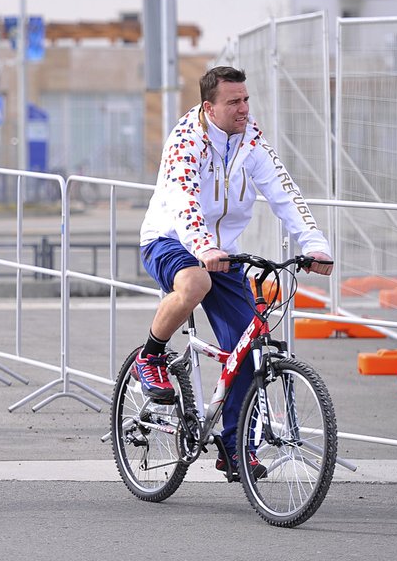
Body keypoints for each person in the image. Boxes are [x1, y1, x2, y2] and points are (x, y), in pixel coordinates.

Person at [136, 65, 333, 479]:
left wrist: (313, 244)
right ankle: (150, 355)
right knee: (195, 280)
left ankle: (235, 447)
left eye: (246, 99)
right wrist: (203, 246)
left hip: (221, 253)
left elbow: (284, 193)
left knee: (250, 343)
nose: (244, 108)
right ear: (209, 107)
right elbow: (184, 200)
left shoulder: (252, 143)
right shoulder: (185, 140)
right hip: (170, 238)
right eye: (234, 102)